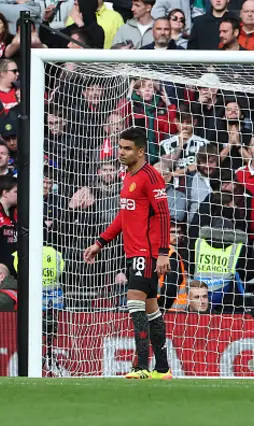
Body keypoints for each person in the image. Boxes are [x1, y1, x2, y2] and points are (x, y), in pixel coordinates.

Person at [83, 128, 172, 380]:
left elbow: (164, 215)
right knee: (151, 309)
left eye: (127, 148)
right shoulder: (128, 176)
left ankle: (141, 365)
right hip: (134, 252)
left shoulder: (151, 177)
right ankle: (162, 369)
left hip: (148, 251)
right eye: (120, 147)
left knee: (134, 302)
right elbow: (125, 215)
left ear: (141, 151)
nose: (121, 152)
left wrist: (163, 253)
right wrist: (100, 242)